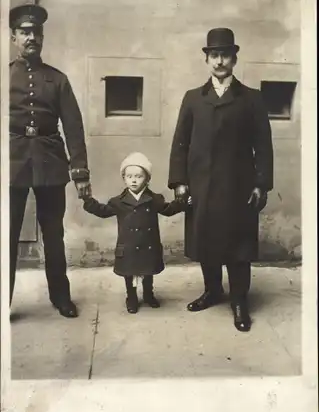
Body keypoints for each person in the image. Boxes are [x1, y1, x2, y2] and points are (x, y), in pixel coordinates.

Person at [168, 28, 273, 332]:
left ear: (234, 58)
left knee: (238, 247)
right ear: (206, 59)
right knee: (206, 242)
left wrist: (261, 183)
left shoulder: (251, 99)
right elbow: (180, 143)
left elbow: (263, 145)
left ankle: (239, 301)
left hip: (239, 187)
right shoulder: (193, 99)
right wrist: (179, 181)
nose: (219, 61)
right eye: (214, 55)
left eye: (225, 54)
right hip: (201, 185)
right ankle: (212, 290)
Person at [9, 3, 91, 318]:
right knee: (8, 235)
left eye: (36, 32)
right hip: (12, 163)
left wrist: (80, 171)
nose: (32, 37)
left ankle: (60, 298)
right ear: (14, 36)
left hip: (50, 163)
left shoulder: (57, 80)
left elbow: (73, 125)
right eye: (25, 32)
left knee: (53, 234)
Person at [82, 152, 190, 314]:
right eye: (129, 176)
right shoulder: (118, 202)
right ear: (124, 178)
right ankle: (131, 297)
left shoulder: (154, 199)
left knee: (148, 271)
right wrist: (88, 201)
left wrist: (182, 203)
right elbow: (103, 211)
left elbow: (168, 210)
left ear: (147, 179)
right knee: (129, 273)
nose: (133, 180)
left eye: (139, 176)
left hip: (148, 243)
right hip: (129, 244)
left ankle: (148, 294)